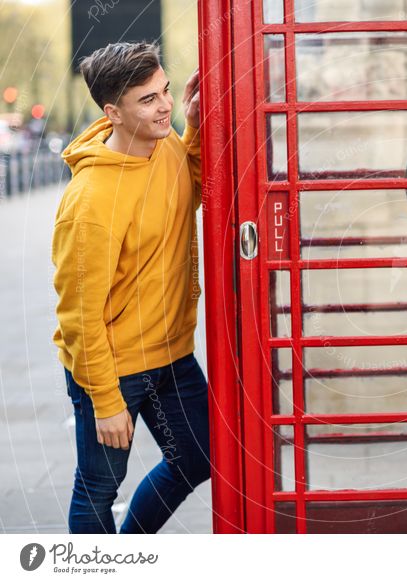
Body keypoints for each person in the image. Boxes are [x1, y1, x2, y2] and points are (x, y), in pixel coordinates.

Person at [52, 42, 209, 533]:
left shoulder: (164, 149)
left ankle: (130, 549)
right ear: (112, 112)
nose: (164, 106)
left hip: (171, 354)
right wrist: (105, 401)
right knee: (98, 488)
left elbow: (192, 190)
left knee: (198, 457)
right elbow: (78, 317)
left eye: (164, 91)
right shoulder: (90, 203)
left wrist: (196, 124)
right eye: (148, 99)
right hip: (114, 365)